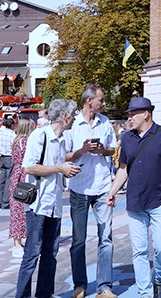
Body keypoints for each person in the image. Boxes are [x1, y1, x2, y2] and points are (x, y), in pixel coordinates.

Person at [106, 97, 161, 298]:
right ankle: (145, 293)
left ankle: (158, 278)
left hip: (160, 200)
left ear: (146, 114)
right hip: (135, 202)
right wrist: (113, 191)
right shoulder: (128, 137)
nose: (129, 117)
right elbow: (124, 169)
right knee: (139, 252)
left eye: (132, 114)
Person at [15, 99, 81, 298]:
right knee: (32, 253)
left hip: (54, 204)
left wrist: (74, 160)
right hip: (38, 203)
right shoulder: (40, 135)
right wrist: (60, 169)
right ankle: (23, 295)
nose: (74, 119)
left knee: (50, 254)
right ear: (64, 116)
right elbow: (29, 167)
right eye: (73, 115)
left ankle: (44, 293)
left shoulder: (62, 139)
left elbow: (61, 162)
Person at [65, 84, 118, 298]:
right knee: (78, 239)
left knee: (106, 237)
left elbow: (113, 149)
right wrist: (83, 150)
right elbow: (66, 156)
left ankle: (104, 287)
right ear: (89, 101)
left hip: (102, 185)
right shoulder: (73, 124)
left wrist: (102, 150)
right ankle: (80, 285)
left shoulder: (105, 122)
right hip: (79, 187)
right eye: (101, 100)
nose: (104, 103)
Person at [9, 118, 36, 257]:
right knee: (20, 210)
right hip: (23, 177)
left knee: (17, 210)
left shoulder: (16, 141)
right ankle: (17, 245)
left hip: (17, 176)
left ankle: (18, 242)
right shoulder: (25, 142)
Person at [0, 116, 16, 210]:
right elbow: (15, 148)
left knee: (1, 180)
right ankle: (5, 202)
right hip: (9, 157)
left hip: (2, 158)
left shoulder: (1, 134)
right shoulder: (13, 135)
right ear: (12, 125)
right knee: (8, 180)